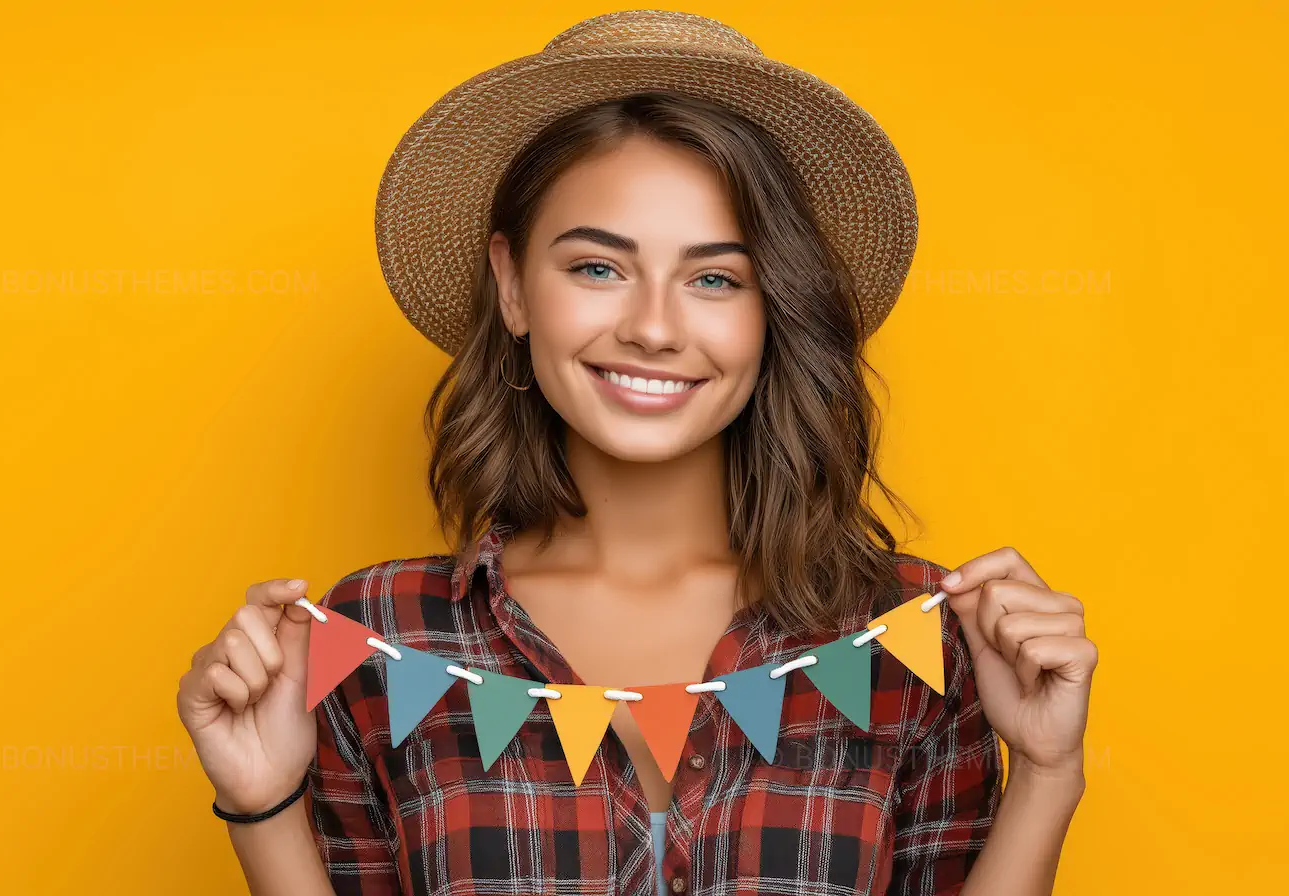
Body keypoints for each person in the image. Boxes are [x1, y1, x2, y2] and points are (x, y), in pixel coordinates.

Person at [175, 10, 1096, 896]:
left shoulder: (916, 635)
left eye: (713, 278)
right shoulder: (381, 634)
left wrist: (1049, 773)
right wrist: (263, 805)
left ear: (773, 310)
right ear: (512, 285)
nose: (654, 327)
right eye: (597, 267)